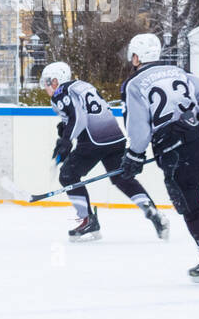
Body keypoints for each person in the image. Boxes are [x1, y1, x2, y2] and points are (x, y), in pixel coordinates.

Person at [120, 33, 199, 284]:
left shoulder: (135, 83)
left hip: (173, 150)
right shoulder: (179, 72)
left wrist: (134, 155)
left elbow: (138, 128)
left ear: (136, 56)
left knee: (191, 208)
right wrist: (197, 124)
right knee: (198, 204)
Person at [42, 61, 168, 243]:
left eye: (47, 82)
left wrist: (66, 140)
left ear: (55, 81)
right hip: (115, 137)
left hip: (94, 140)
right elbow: (81, 113)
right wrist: (65, 131)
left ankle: (87, 220)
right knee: (122, 178)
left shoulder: (61, 92)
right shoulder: (82, 85)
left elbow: (78, 117)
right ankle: (153, 212)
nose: (45, 87)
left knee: (68, 176)